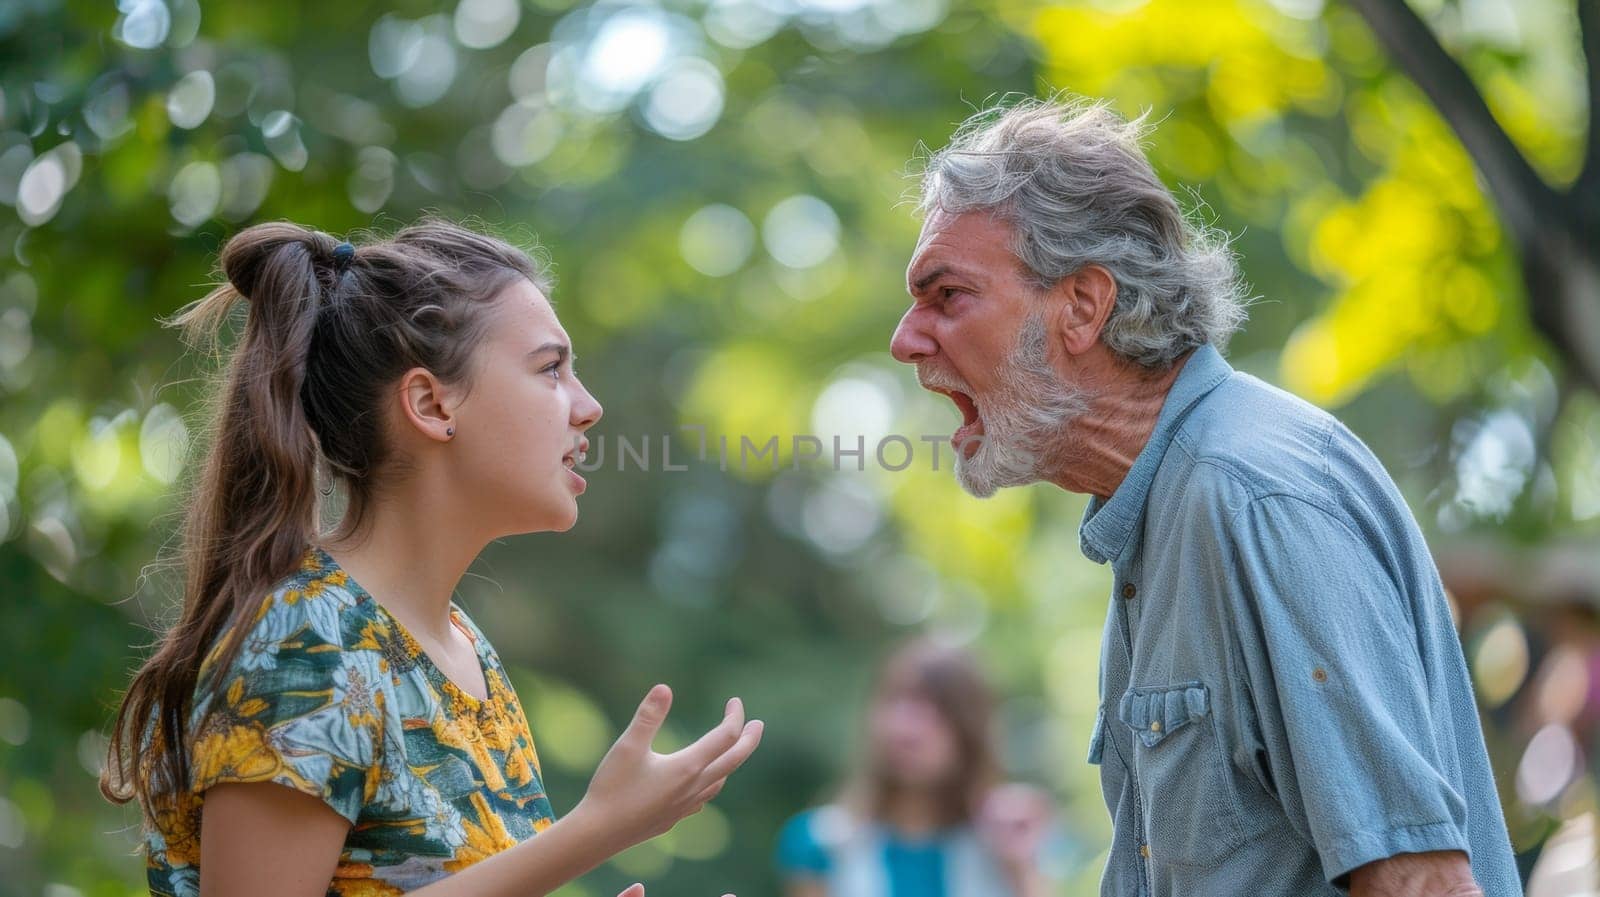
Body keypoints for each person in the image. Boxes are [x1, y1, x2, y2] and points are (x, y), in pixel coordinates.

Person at [890, 98, 1521, 897]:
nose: (905, 339)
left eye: (946, 295)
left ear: (1083, 305)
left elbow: (1421, 883)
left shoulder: (1250, 495)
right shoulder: (1165, 505)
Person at [100, 220, 763, 897]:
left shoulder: (466, 652)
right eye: (551, 369)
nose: (588, 407)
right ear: (430, 402)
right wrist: (595, 828)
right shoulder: (302, 638)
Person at [776, 638, 1058, 897]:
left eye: (935, 711)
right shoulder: (822, 843)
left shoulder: (1003, 842)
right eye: (895, 702)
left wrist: (1021, 868)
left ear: (969, 731)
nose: (905, 729)